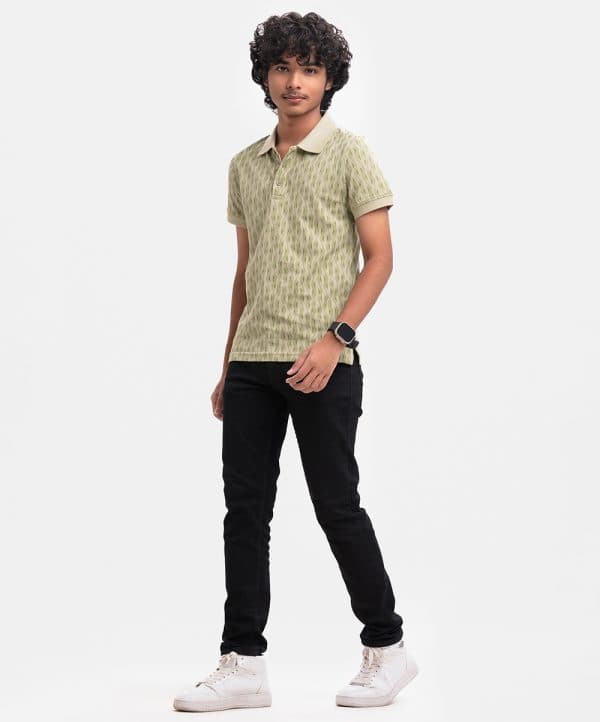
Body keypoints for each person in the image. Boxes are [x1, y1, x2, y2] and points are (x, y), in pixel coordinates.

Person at [173, 11, 418, 713]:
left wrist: (335, 338)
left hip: (324, 363)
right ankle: (243, 663)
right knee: (244, 512)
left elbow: (381, 259)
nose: (294, 81)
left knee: (336, 505)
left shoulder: (350, 155)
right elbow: (245, 273)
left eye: (309, 69)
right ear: (265, 76)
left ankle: (388, 648)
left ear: (330, 79)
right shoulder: (245, 165)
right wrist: (228, 364)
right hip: (252, 363)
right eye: (282, 67)